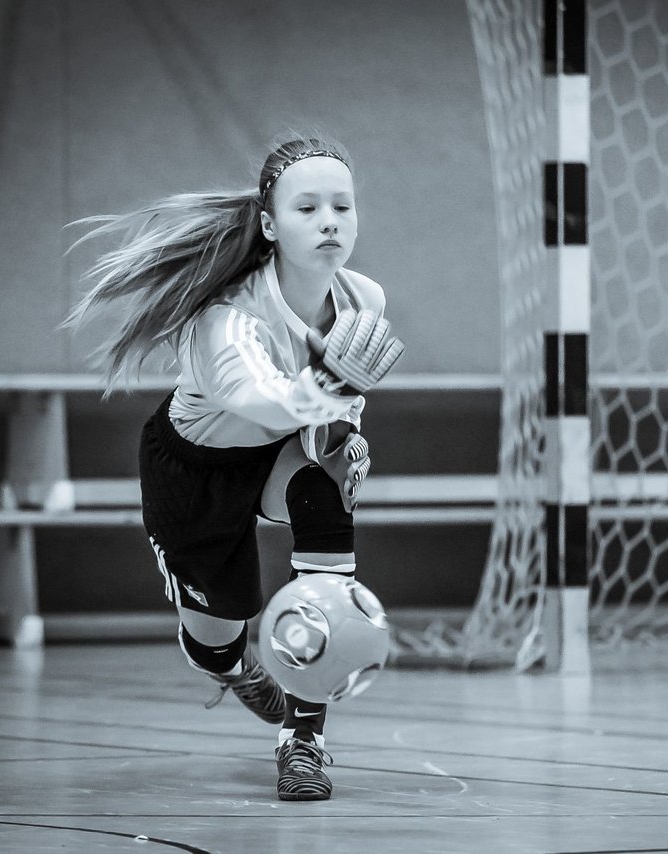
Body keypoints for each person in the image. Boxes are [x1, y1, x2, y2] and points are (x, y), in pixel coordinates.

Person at [66, 135, 404, 801]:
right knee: (217, 635)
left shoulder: (363, 298)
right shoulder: (227, 315)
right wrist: (327, 387)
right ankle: (229, 663)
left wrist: (347, 434)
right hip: (195, 469)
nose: (331, 219)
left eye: (343, 205)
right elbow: (254, 396)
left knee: (325, 487)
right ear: (271, 225)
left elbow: (340, 402)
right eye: (308, 207)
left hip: (280, 458)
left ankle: (304, 740)